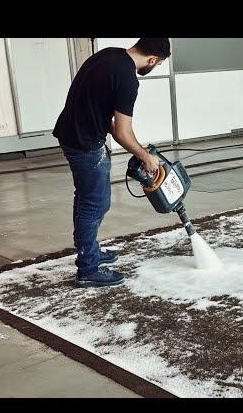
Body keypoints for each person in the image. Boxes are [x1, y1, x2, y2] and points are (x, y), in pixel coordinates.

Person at [53, 38, 170, 287]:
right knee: (94, 203)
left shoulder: (109, 55)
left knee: (89, 198)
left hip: (72, 132)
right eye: (157, 64)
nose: (154, 67)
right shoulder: (128, 79)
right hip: (84, 142)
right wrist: (145, 156)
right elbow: (122, 133)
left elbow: (91, 100)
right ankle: (88, 268)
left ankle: (90, 250)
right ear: (152, 60)